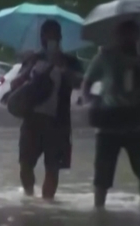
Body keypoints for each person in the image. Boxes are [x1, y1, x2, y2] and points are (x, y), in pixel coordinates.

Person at [81, 20, 140, 208]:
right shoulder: (105, 57)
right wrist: (90, 101)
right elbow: (86, 82)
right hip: (108, 122)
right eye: (125, 35)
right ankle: (99, 211)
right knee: (102, 176)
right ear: (117, 37)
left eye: (133, 35)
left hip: (135, 123)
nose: (129, 39)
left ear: (138, 37)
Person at [9, 20, 84, 199]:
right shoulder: (32, 59)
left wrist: (62, 68)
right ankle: (29, 198)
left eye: (54, 36)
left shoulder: (71, 61)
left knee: (53, 167)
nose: (49, 39)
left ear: (60, 38)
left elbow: (79, 83)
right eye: (46, 35)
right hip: (32, 119)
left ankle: (47, 205)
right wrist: (25, 75)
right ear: (41, 38)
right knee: (25, 165)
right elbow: (15, 84)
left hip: (58, 122)